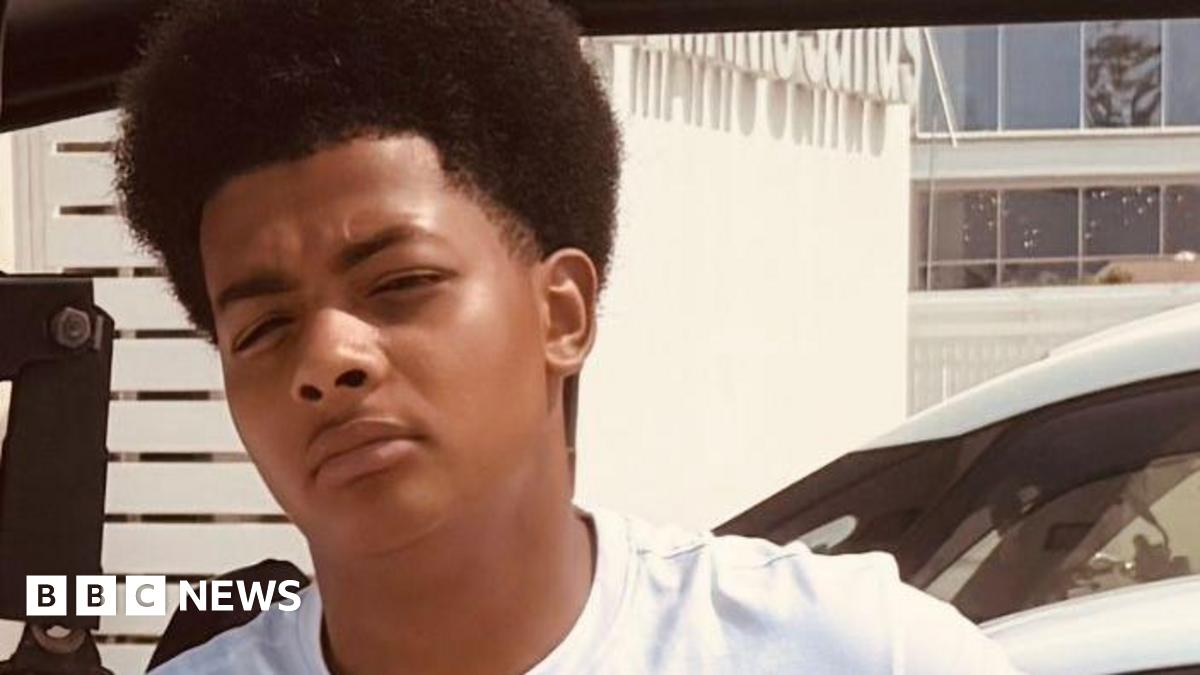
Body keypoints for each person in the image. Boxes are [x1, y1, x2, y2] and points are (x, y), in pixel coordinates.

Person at [114, 1, 1021, 673]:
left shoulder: (847, 653)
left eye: (399, 284)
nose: (327, 359)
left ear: (563, 313)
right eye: (265, 326)